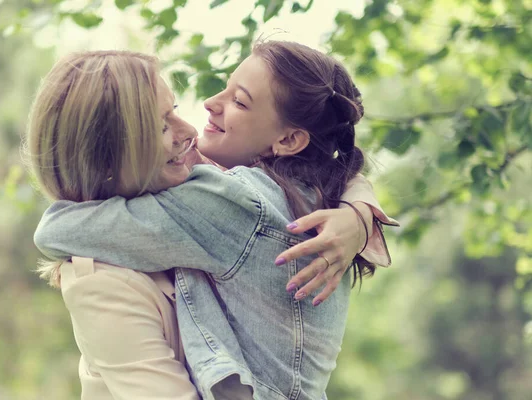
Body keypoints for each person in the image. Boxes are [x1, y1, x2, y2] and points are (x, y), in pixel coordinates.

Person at [29, 42, 397, 400]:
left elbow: (56, 229)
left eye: (239, 101)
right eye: (161, 124)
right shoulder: (310, 194)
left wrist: (359, 216)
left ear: (289, 140)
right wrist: (359, 214)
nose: (205, 105)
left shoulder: (234, 203)